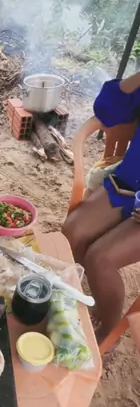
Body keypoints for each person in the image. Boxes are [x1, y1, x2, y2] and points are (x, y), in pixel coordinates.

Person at [62, 70, 140, 345]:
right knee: (72, 232)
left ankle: (107, 330)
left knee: (100, 259)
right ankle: (76, 296)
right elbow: (106, 110)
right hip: (129, 184)